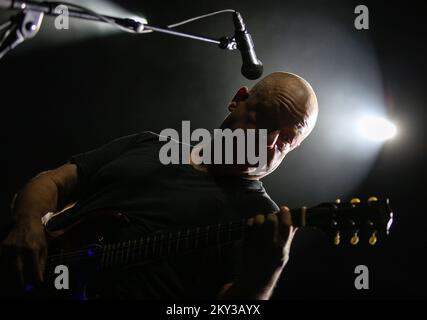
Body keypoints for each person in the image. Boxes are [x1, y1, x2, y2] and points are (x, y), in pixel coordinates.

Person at [0, 72, 318, 299]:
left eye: (286, 139)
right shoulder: (150, 145)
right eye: (263, 121)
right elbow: (53, 182)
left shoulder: (262, 223)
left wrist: (266, 273)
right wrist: (27, 224)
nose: (268, 143)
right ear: (238, 100)